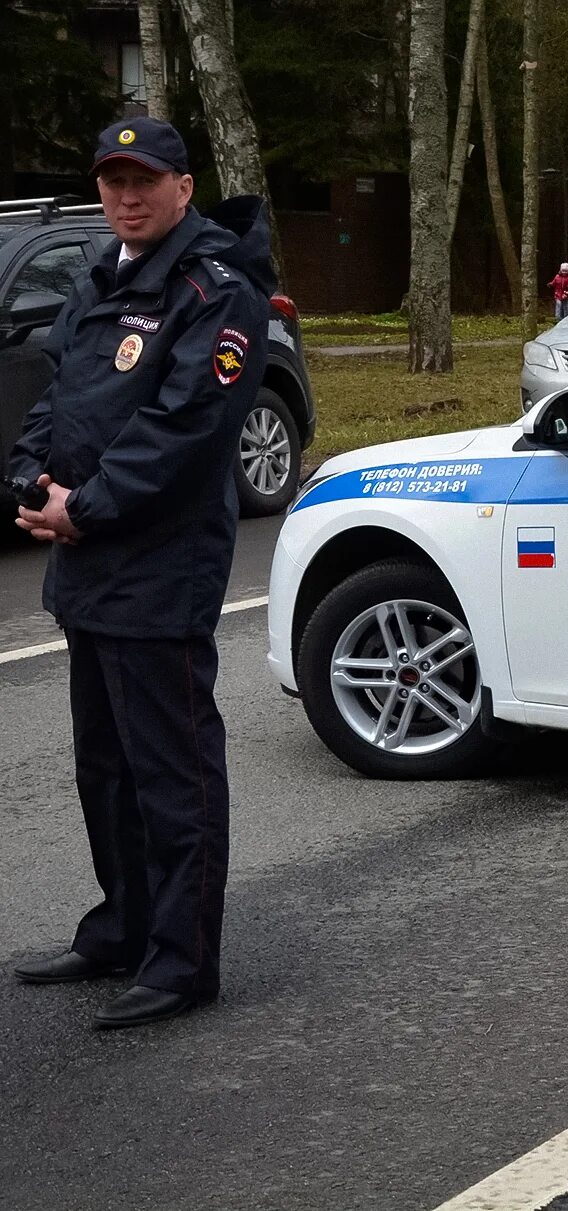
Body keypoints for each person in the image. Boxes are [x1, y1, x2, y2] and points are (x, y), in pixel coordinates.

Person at [7, 117, 272, 1030]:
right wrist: (29, 477)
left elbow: (187, 426)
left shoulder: (216, 289)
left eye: (145, 180)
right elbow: (59, 395)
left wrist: (84, 506)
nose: (126, 195)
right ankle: (122, 927)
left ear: (184, 186)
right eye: (113, 180)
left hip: (159, 568)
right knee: (105, 769)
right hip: (90, 569)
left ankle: (183, 959)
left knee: (174, 772)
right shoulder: (101, 279)